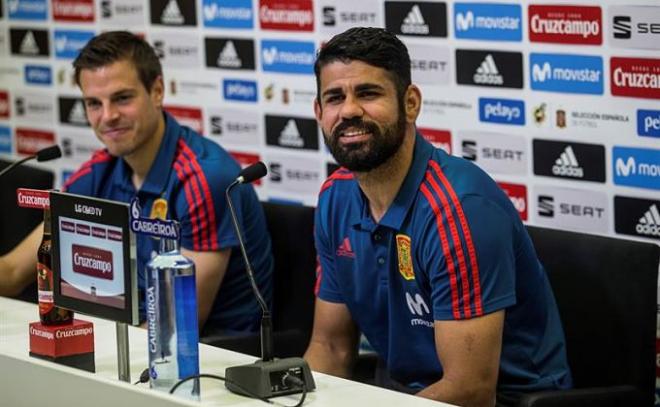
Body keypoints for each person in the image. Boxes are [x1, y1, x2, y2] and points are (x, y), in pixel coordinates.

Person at [304, 27, 572, 407]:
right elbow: (330, 348)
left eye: (368, 93)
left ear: (410, 103)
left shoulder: (461, 208)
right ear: (319, 113)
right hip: (400, 396)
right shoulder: (334, 198)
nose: (348, 110)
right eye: (334, 98)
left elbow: (471, 391)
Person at [0, 31, 273, 334]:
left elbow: (178, 325)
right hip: (129, 340)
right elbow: (12, 272)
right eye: (93, 103)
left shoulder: (205, 179)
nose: (108, 116)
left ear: (157, 91)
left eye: (122, 98)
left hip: (213, 357)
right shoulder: (98, 173)